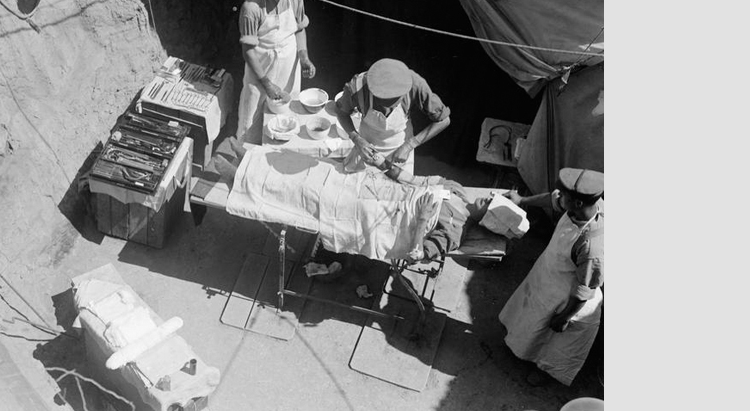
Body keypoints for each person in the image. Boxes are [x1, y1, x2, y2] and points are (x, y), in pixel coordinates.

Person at [210, 137, 486, 263]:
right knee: (316, 170)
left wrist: (424, 219)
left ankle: (240, 180)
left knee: (307, 194)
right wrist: (383, 165)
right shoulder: (457, 190)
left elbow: (416, 255)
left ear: (491, 221)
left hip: (373, 217)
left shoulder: (453, 233)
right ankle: (252, 157)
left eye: (492, 204)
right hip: (377, 188)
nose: (488, 198)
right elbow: (413, 181)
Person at [499, 168, 605, 386]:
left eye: (564, 196)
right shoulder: (583, 205)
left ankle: (545, 371)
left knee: (554, 340)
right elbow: (553, 199)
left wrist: (565, 317)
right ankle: (524, 348)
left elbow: (584, 290)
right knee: (532, 320)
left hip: (571, 300)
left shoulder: (592, 246)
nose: (559, 196)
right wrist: (522, 200)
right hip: (551, 277)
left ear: (577, 203)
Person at [236, 0, 317, 144]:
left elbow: (300, 29)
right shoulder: (252, 7)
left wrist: (304, 57)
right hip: (261, 73)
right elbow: (248, 51)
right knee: (251, 122)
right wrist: (267, 84)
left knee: (287, 119)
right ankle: (243, 165)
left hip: (289, 71)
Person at [335, 58, 450, 178]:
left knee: (396, 187)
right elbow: (340, 112)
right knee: (357, 183)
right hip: (366, 143)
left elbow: (444, 120)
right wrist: (357, 139)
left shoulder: (415, 83)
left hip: (399, 144)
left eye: (395, 100)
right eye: (382, 100)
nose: (389, 106)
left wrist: (411, 144)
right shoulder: (357, 86)